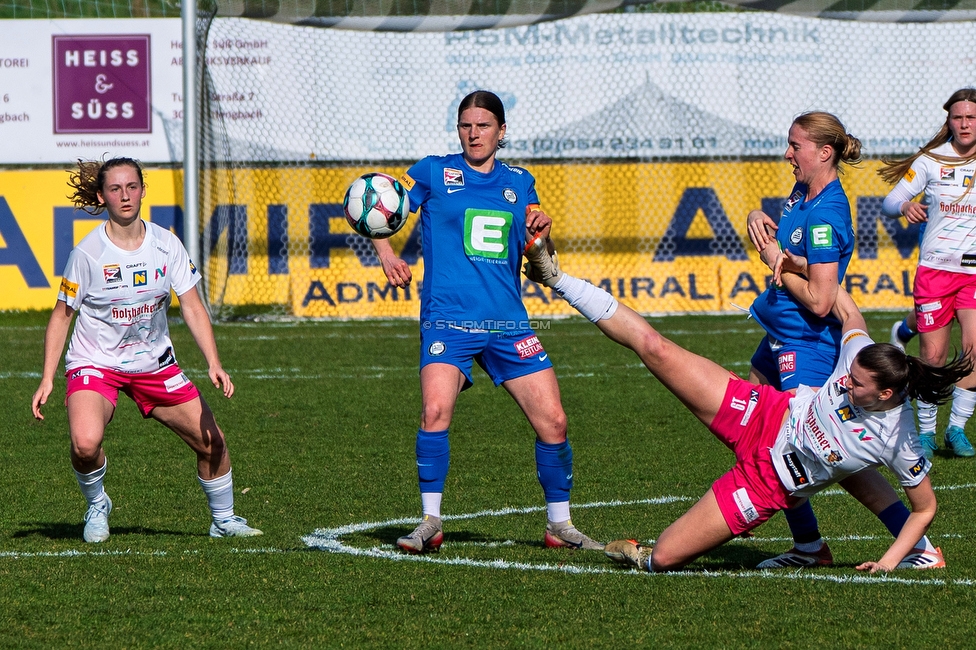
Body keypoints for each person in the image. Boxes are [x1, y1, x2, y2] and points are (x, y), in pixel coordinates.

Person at [522, 235, 971, 572]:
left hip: (767, 483)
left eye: (855, 385)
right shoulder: (861, 354)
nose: (845, 383)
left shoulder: (901, 438)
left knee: (662, 559)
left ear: (886, 395)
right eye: (847, 377)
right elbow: (848, 312)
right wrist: (788, 263)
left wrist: (890, 561)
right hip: (763, 411)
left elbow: (925, 508)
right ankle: (557, 278)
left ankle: (807, 549)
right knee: (657, 349)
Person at [371, 90, 602, 553]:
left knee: (554, 421)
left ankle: (560, 525)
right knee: (435, 412)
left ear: (501, 131)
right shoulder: (434, 171)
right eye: (465, 125)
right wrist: (386, 253)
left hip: (508, 324)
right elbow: (382, 207)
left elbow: (539, 258)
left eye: (482, 126)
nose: (473, 133)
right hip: (447, 320)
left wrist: (541, 235)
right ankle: (430, 521)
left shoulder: (521, 183)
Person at [31, 157, 262, 543]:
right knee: (85, 444)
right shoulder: (87, 254)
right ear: (102, 196)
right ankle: (97, 504)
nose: (125, 196)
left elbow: (191, 305)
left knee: (213, 443)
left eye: (132, 187)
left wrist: (214, 361)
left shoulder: (166, 243)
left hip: (154, 364)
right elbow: (61, 317)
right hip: (96, 362)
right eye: (116, 189)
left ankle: (224, 520)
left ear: (142, 190)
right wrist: (46, 378)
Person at [744, 113, 930, 569]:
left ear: (824, 152)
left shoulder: (827, 213)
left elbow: (822, 301)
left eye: (795, 146)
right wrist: (757, 219)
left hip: (806, 343)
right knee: (755, 435)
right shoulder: (803, 192)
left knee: (807, 447)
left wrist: (775, 259)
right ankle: (809, 546)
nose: (788, 154)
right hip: (779, 334)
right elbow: (794, 254)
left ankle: (916, 548)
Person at [880, 88, 976, 459]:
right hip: (935, 271)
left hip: (973, 274)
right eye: (958, 117)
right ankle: (925, 432)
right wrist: (905, 205)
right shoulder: (930, 161)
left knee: (973, 350)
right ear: (949, 121)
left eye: (971, 117)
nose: (965, 124)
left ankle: (956, 429)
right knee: (933, 359)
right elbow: (889, 201)